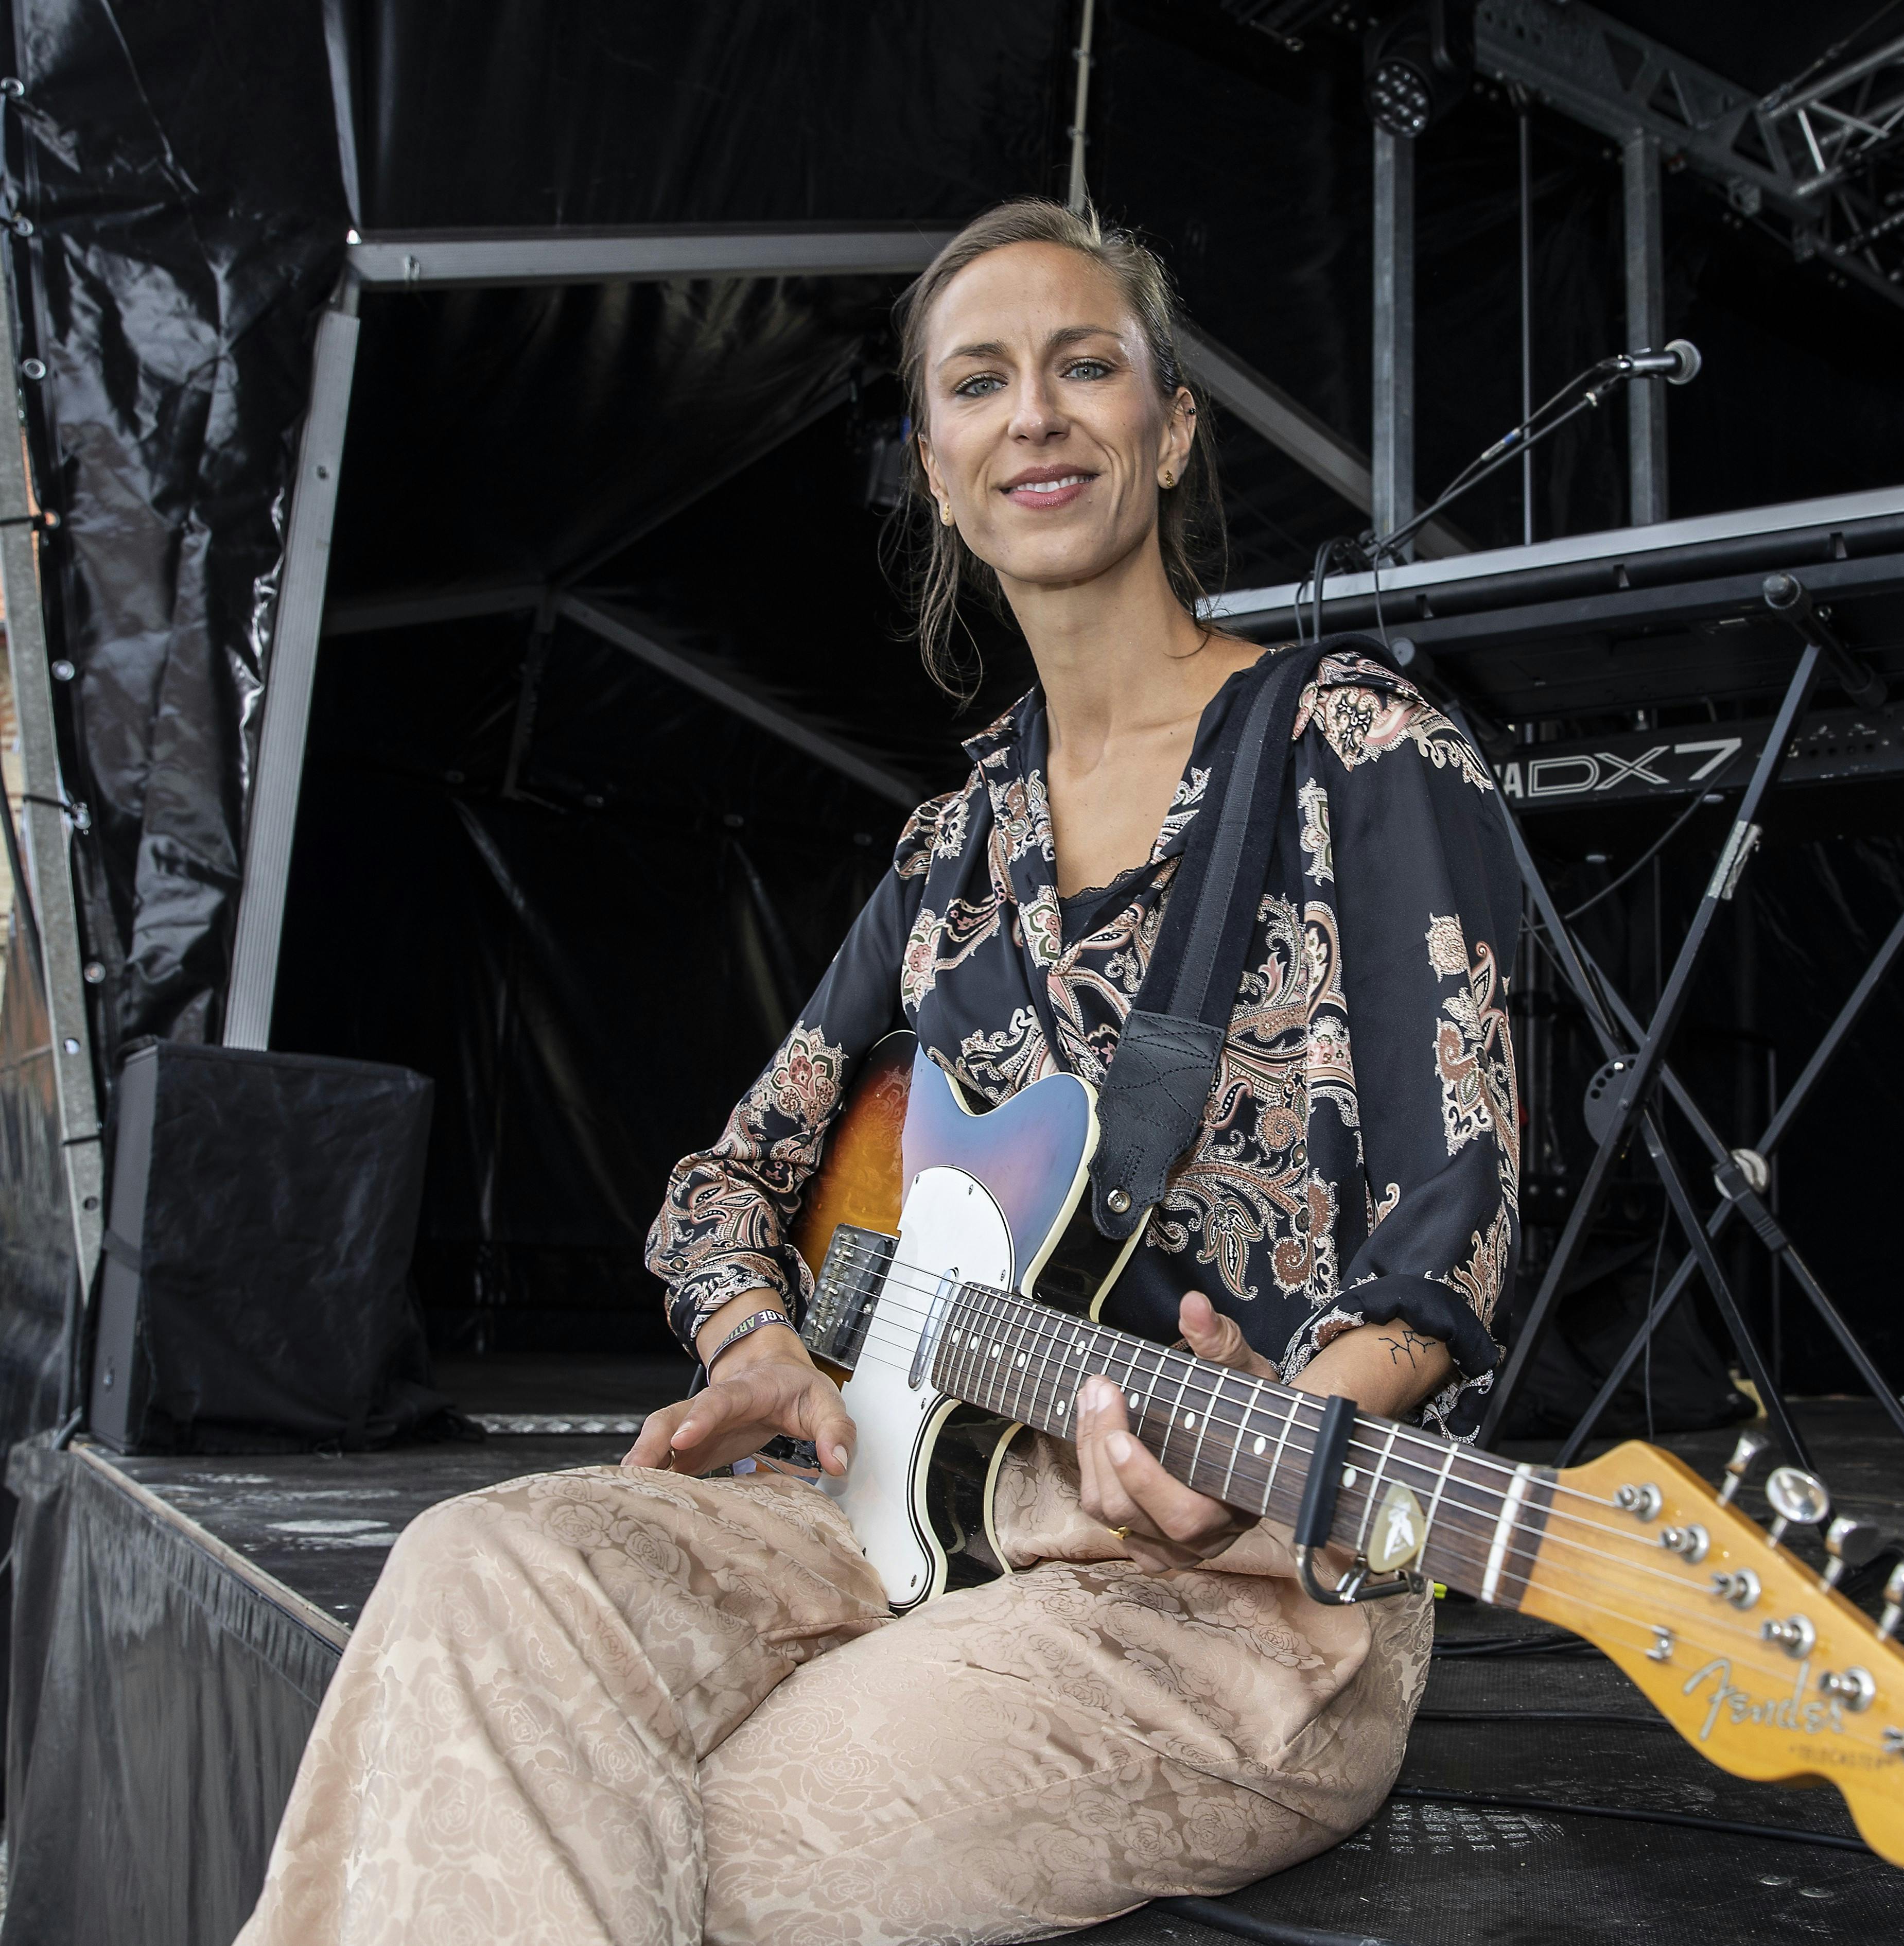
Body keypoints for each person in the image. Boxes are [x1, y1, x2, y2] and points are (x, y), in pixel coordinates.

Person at [238, 198, 1521, 1946]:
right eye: (981, 384)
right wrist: (759, 1344)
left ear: (1173, 422)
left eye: (1088, 367)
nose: (1037, 415)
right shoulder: (952, 852)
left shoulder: (1357, 752)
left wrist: (1282, 1436)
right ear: (936, 464)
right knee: (475, 1572)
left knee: (694, 1837)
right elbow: (726, 1188)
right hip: (889, 1504)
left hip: (1228, 1594)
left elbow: (1455, 1230)